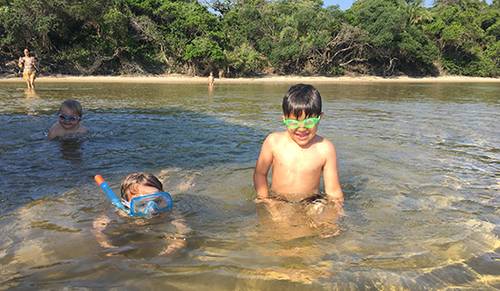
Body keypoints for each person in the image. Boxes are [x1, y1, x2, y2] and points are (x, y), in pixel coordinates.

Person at [253, 84, 344, 235]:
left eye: (309, 122)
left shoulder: (325, 148)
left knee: (324, 230)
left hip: (312, 201)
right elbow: (260, 174)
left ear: (320, 118)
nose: (301, 129)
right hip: (279, 199)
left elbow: (333, 191)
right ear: (284, 119)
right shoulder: (273, 142)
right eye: (294, 123)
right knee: (280, 231)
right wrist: (264, 198)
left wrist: (337, 212)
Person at [93, 173, 190, 256]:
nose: (153, 209)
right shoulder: (122, 213)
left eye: (158, 201)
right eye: (142, 204)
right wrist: (108, 246)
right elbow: (98, 226)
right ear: (127, 205)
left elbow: (181, 236)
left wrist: (166, 254)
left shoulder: (169, 212)